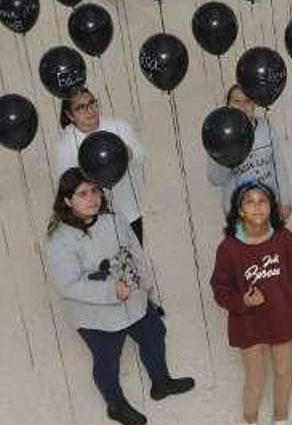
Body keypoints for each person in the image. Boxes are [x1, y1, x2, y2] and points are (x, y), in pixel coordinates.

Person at [47, 168, 194, 425]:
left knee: (154, 335)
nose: (92, 198)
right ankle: (115, 404)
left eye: (95, 191)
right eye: (82, 194)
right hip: (95, 315)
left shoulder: (115, 220)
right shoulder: (60, 239)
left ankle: (161, 382)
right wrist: (109, 291)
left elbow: (135, 252)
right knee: (107, 360)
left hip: (133, 300)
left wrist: (146, 284)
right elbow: (67, 285)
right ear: (67, 201)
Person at [210, 181, 292, 425]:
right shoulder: (228, 248)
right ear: (240, 210)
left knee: (284, 373)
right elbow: (219, 289)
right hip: (249, 325)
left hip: (282, 320)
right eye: (249, 201)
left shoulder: (285, 239)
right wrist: (242, 301)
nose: (257, 207)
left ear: (272, 207)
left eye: (262, 201)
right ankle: (251, 419)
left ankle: (281, 418)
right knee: (256, 381)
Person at [55, 88, 146, 244]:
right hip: (92, 223)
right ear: (70, 115)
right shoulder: (65, 146)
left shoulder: (119, 127)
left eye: (92, 103)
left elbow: (141, 157)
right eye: (81, 107)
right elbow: (67, 186)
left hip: (129, 214)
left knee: (134, 264)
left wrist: (126, 153)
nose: (89, 110)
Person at [207, 84, 292, 220]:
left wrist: (285, 201)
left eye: (248, 101)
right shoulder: (219, 135)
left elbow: (279, 167)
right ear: (228, 105)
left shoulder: (266, 128)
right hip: (239, 214)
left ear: (254, 104)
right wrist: (226, 153)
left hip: (269, 209)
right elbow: (215, 179)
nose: (242, 106)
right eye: (237, 102)